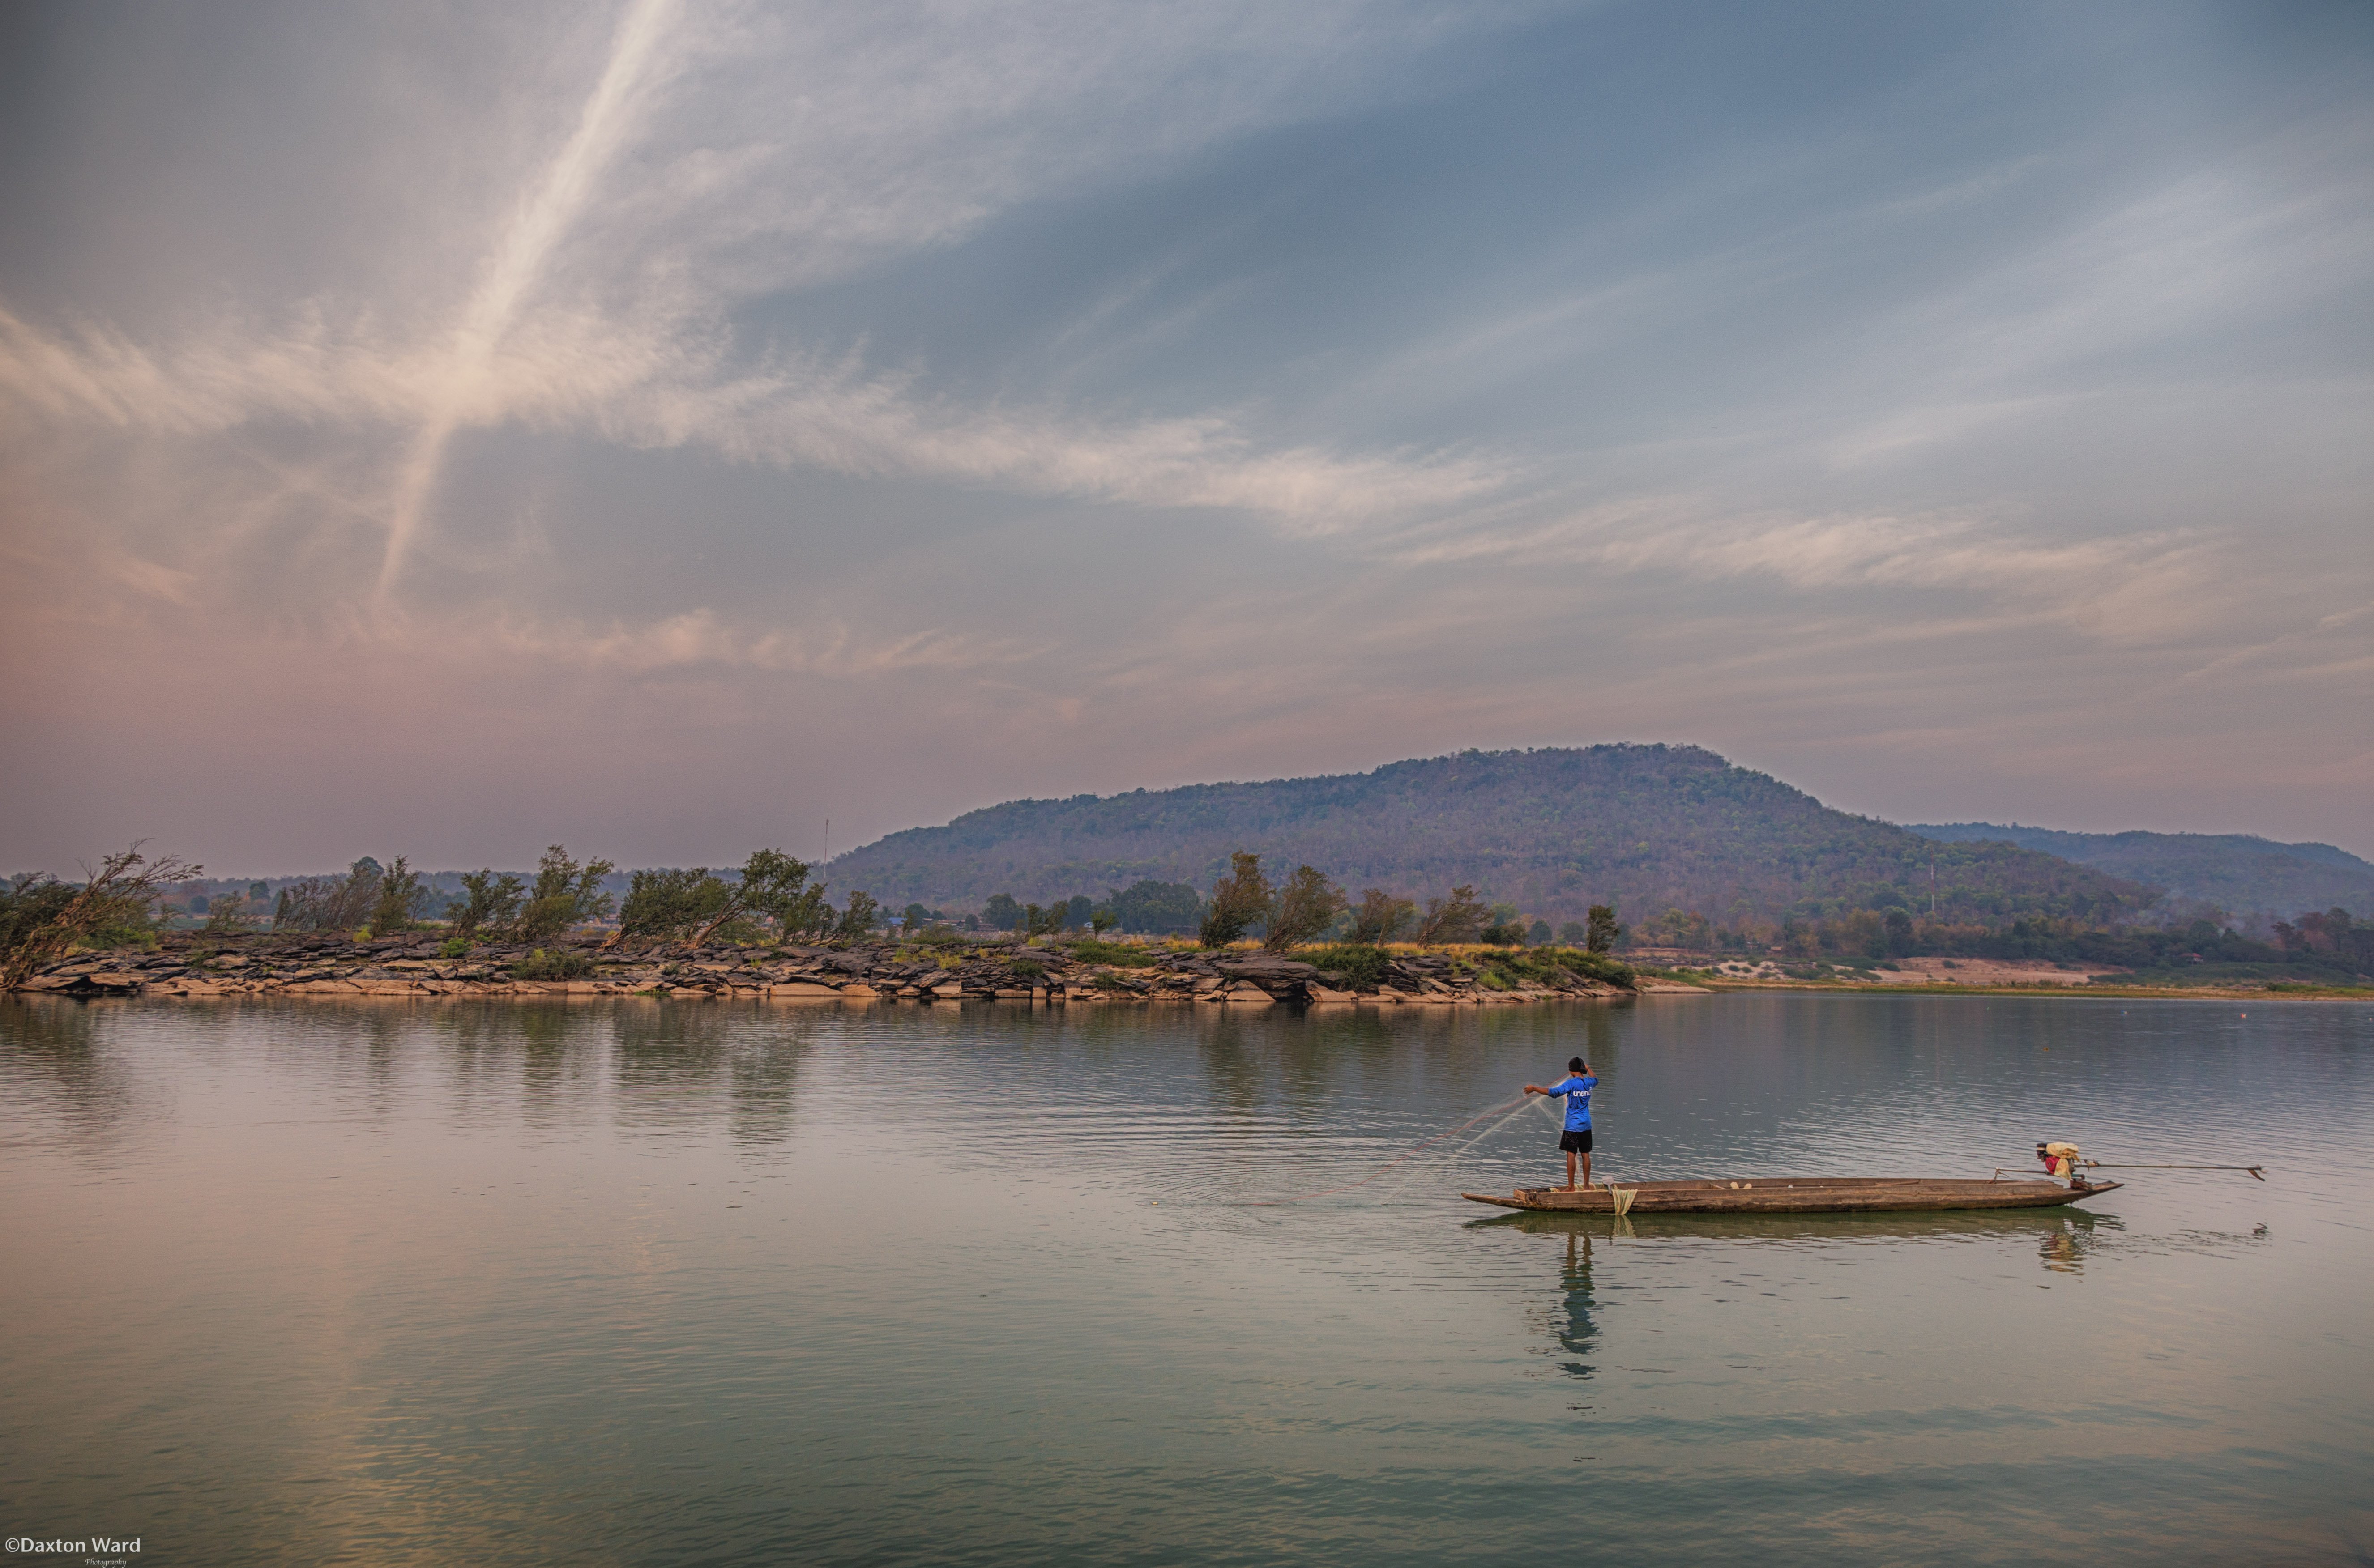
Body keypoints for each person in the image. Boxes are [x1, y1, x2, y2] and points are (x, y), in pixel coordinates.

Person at [1524, 1056, 1598, 1191]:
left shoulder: (1571, 1084)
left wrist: (1534, 1088)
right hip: (1586, 1125)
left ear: (1571, 1070)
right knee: (1585, 1154)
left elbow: (1553, 1093)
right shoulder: (1589, 1083)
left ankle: (1571, 1188)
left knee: (1571, 1154)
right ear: (1581, 1069)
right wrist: (1588, 1068)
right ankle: (1586, 1186)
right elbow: (1596, 1080)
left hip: (1573, 1126)